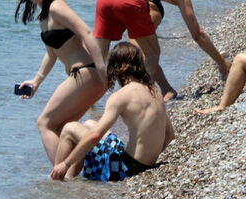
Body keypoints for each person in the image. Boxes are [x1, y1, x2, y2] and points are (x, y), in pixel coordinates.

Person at [94, 0, 230, 100]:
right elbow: (197, 34)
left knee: (98, 58)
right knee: (152, 53)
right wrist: (221, 63)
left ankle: (89, 100)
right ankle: (135, 98)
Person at [15, 0, 107, 164]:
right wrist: (36, 82)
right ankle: (73, 174)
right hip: (86, 76)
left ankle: (60, 173)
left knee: (44, 123)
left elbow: (86, 32)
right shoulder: (44, 14)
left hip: (86, 73)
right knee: (61, 126)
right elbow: (52, 53)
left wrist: (102, 69)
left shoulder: (56, 7)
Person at [50, 42, 174, 181]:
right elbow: (170, 135)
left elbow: (95, 136)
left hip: (124, 169)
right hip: (142, 165)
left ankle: (57, 180)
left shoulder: (121, 96)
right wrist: (148, 158)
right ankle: (70, 179)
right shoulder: (155, 91)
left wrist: (66, 163)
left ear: (116, 69)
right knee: (90, 124)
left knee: (69, 128)